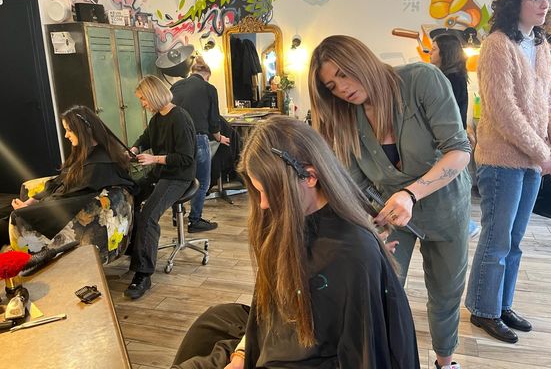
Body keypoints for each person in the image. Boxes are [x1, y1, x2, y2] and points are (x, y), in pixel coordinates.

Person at [171, 115, 419, 369]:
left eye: (268, 191)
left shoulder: (352, 252)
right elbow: (273, 308)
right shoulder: (292, 219)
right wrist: (243, 353)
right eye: (258, 192)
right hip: (280, 338)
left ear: (309, 176)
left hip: (310, 357)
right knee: (211, 323)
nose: (263, 204)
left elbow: (358, 354)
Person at [309, 35, 471, 369]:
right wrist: (366, 226)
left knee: (445, 292)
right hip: (390, 214)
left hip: (445, 207)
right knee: (382, 291)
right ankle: (389, 360)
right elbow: (356, 182)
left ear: (362, 58)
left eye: (344, 73)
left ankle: (446, 362)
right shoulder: (345, 117)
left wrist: (411, 193)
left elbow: (459, 151)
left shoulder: (421, 80)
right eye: (332, 85)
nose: (342, 88)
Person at [464, 0, 551, 344]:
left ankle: (502, 303)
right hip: (500, 159)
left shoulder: (540, 44)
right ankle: (483, 309)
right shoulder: (496, 45)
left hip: (531, 161)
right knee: (497, 238)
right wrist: (543, 152)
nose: (545, 5)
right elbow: (504, 110)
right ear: (516, 3)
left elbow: (549, 101)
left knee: (516, 239)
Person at [0, 105, 134, 249]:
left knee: (6, 221)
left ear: (84, 130)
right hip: (51, 203)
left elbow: (69, 199)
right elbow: (60, 181)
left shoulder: (96, 166)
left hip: (60, 214)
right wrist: (32, 201)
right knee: (5, 211)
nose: (66, 135)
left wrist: (29, 210)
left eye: (69, 130)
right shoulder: (87, 154)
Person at [125, 75, 196, 299]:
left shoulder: (180, 119)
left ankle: (143, 274)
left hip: (179, 177)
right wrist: (134, 150)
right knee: (130, 197)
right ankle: (134, 248)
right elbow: (145, 137)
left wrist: (154, 160)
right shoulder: (157, 119)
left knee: (148, 216)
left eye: (143, 99)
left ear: (154, 95)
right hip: (161, 173)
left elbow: (186, 158)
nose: (142, 104)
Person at [429, 33, 481, 239]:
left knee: (446, 186)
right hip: (452, 138)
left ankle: (465, 225)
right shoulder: (457, 77)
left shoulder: (447, 79)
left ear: (445, 53)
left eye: (434, 49)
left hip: (446, 140)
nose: (430, 53)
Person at [171, 56, 230, 233]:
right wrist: (219, 137)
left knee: (179, 179)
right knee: (202, 181)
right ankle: (194, 220)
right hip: (197, 139)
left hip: (176, 140)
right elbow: (213, 120)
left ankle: (177, 214)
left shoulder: (175, 87)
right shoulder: (208, 88)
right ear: (206, 74)